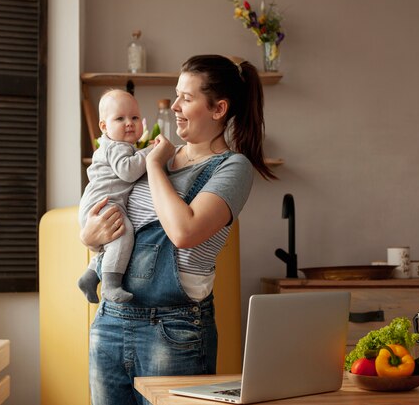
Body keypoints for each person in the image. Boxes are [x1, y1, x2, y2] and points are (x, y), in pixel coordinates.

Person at [79, 55, 276, 405]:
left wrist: (154, 165)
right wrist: (89, 237)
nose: (174, 107)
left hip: (173, 330)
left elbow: (184, 231)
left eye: (187, 98)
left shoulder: (232, 168)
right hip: (110, 320)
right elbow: (118, 215)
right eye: (176, 95)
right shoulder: (156, 155)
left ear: (218, 109)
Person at [77, 89, 152, 304]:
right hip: (102, 205)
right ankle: (111, 286)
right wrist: (149, 153)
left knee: (111, 243)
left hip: (97, 204)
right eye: (120, 118)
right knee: (123, 232)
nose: (129, 123)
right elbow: (128, 171)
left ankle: (90, 276)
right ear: (104, 126)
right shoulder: (116, 147)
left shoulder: (119, 146)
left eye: (135, 117)